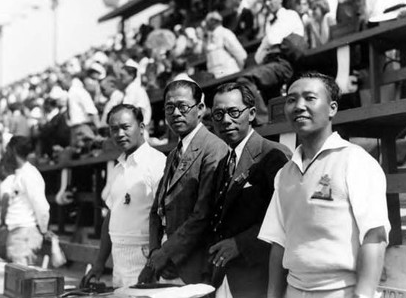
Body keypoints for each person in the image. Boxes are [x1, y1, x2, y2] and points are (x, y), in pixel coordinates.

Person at [258, 72, 390, 298]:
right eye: (291, 100)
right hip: (294, 289)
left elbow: (375, 236)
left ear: (332, 108)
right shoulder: (285, 173)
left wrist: (364, 294)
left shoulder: (355, 160)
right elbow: (278, 244)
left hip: (341, 291)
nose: (299, 106)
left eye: (310, 98)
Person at [139, 80, 228, 285]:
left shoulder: (214, 149)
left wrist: (165, 254)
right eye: (170, 107)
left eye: (183, 106)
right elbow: (156, 210)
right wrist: (155, 253)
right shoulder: (173, 154)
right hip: (166, 264)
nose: (176, 113)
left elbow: (202, 215)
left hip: (194, 267)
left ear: (200, 109)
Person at [208, 83, 290, 298]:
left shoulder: (273, 154)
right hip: (228, 276)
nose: (226, 120)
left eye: (234, 112)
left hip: (261, 275)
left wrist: (240, 244)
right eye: (218, 114)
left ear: (252, 113)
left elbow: (285, 217)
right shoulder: (223, 162)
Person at [81, 104, 166, 287]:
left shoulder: (157, 163)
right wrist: (99, 264)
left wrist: (154, 263)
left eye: (125, 127)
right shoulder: (118, 168)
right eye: (114, 129)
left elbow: (166, 219)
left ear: (141, 128)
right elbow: (111, 217)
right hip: (119, 259)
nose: (119, 134)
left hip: (146, 258)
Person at [237, 0, 305, 125]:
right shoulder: (269, 23)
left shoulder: (289, 15)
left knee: (246, 80)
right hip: (270, 63)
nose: (267, 4)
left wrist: (268, 43)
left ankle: (262, 121)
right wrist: (268, 43)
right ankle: (271, 123)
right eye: (265, 1)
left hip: (283, 63)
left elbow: (273, 39)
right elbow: (258, 56)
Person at [2, 136, 50, 265]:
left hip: (24, 234)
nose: (6, 154)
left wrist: (43, 230)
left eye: (7, 150)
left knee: (21, 279)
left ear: (13, 150)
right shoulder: (20, 173)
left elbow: (41, 206)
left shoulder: (30, 174)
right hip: (16, 232)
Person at [203, 12, 247, 79]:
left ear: (214, 21)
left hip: (230, 74)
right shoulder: (208, 38)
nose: (207, 24)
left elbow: (241, 55)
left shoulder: (225, 33)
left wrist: (238, 71)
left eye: (208, 21)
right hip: (216, 77)